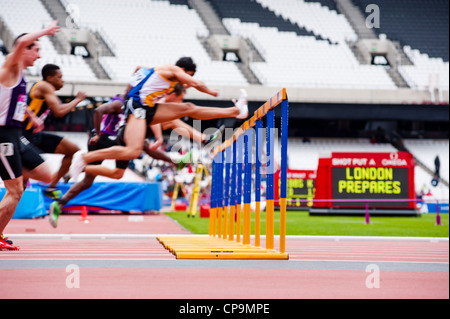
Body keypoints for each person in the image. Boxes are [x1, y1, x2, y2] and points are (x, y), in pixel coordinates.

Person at [48, 84, 224, 227]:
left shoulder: (140, 107)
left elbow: (155, 120)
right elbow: (98, 111)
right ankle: (176, 161)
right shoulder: (123, 103)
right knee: (141, 147)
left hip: (116, 139)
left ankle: (60, 203)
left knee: (105, 177)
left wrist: (160, 137)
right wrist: (98, 134)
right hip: (107, 139)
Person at [69, 57, 248, 180]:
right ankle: (84, 158)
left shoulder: (157, 74)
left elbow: (137, 72)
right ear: (185, 70)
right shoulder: (172, 71)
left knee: (187, 108)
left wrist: (130, 94)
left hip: (145, 107)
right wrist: (211, 91)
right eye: (188, 76)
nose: (186, 82)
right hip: (138, 108)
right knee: (133, 151)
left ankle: (236, 111)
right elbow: (196, 83)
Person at [0, 21, 60, 250]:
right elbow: (22, 40)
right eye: (36, 49)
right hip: (3, 135)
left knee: (45, 174)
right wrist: (45, 31)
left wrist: (32, 117)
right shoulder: (10, 66)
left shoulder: (20, 75)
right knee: (14, 190)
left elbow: (15, 101)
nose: (38, 55)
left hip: (16, 133)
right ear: (23, 50)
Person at [23, 63, 86, 199]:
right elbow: (59, 111)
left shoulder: (46, 89)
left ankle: (51, 187)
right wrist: (78, 100)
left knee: (72, 149)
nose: (62, 80)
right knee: (21, 182)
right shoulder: (44, 86)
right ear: (50, 78)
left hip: (34, 135)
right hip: (22, 135)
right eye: (59, 77)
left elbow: (58, 108)